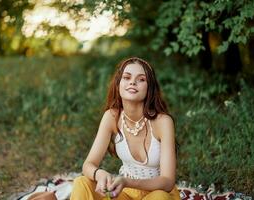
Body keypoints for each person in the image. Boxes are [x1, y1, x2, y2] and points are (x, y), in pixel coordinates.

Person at [70, 57, 180, 200]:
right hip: (125, 193)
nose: (132, 82)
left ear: (150, 88)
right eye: (127, 77)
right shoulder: (111, 117)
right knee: (82, 182)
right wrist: (99, 173)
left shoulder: (163, 122)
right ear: (118, 84)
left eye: (141, 79)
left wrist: (127, 181)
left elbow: (167, 181)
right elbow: (88, 165)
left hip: (158, 193)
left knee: (160, 198)